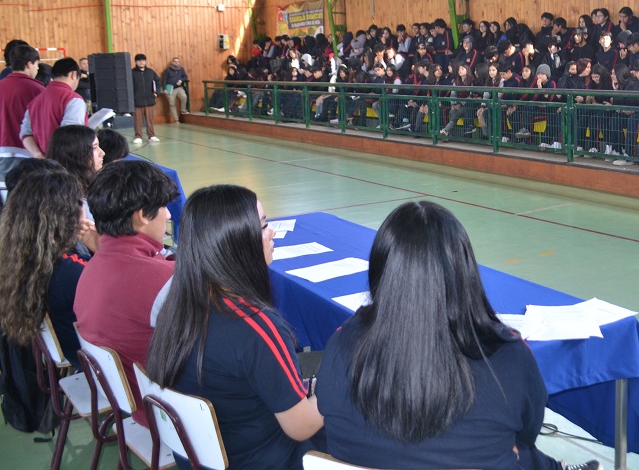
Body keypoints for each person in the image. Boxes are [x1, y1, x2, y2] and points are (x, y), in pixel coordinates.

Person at [316, 201, 599, 470]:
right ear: (464, 274)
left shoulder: (342, 346)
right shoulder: (509, 357)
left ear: (381, 274)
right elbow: (526, 434)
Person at [147, 185, 322, 469]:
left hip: (201, 458)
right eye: (264, 225)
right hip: (265, 459)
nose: (272, 233)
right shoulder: (255, 326)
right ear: (239, 242)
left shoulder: (175, 306)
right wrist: (334, 387)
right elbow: (301, 427)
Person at [73, 160, 179, 426]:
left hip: (128, 402)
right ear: (143, 215)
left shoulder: (89, 267)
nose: (167, 216)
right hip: (170, 415)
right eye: (163, 208)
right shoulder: (164, 281)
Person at [0, 168, 90, 369]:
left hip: (67, 354)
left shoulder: (19, 257)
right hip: (92, 363)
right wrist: (102, 250)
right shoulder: (71, 271)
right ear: (67, 213)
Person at [20, 57, 87, 157]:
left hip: (43, 163)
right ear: (74, 74)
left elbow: (25, 133)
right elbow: (70, 135)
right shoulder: (73, 99)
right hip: (68, 161)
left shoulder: (35, 101)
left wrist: (38, 154)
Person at [0, 44, 43, 185]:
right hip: (28, 153)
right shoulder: (38, 90)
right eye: (37, 64)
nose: (37, 68)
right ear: (29, 64)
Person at [132, 53, 160, 143]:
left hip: (149, 100)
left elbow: (157, 82)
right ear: (136, 62)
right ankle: (138, 136)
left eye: (143, 60)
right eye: (139, 60)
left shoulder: (151, 72)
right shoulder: (131, 73)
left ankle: (151, 135)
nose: (141, 62)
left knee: (150, 120)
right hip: (137, 102)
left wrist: (157, 93)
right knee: (138, 121)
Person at [162, 56, 190, 123]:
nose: (176, 63)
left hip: (179, 88)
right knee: (172, 104)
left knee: (184, 97)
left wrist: (181, 81)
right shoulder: (167, 70)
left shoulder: (181, 69)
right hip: (170, 89)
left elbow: (185, 77)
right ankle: (176, 119)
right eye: (175, 61)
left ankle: (183, 109)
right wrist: (164, 89)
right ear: (172, 62)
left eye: (178, 61)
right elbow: (164, 80)